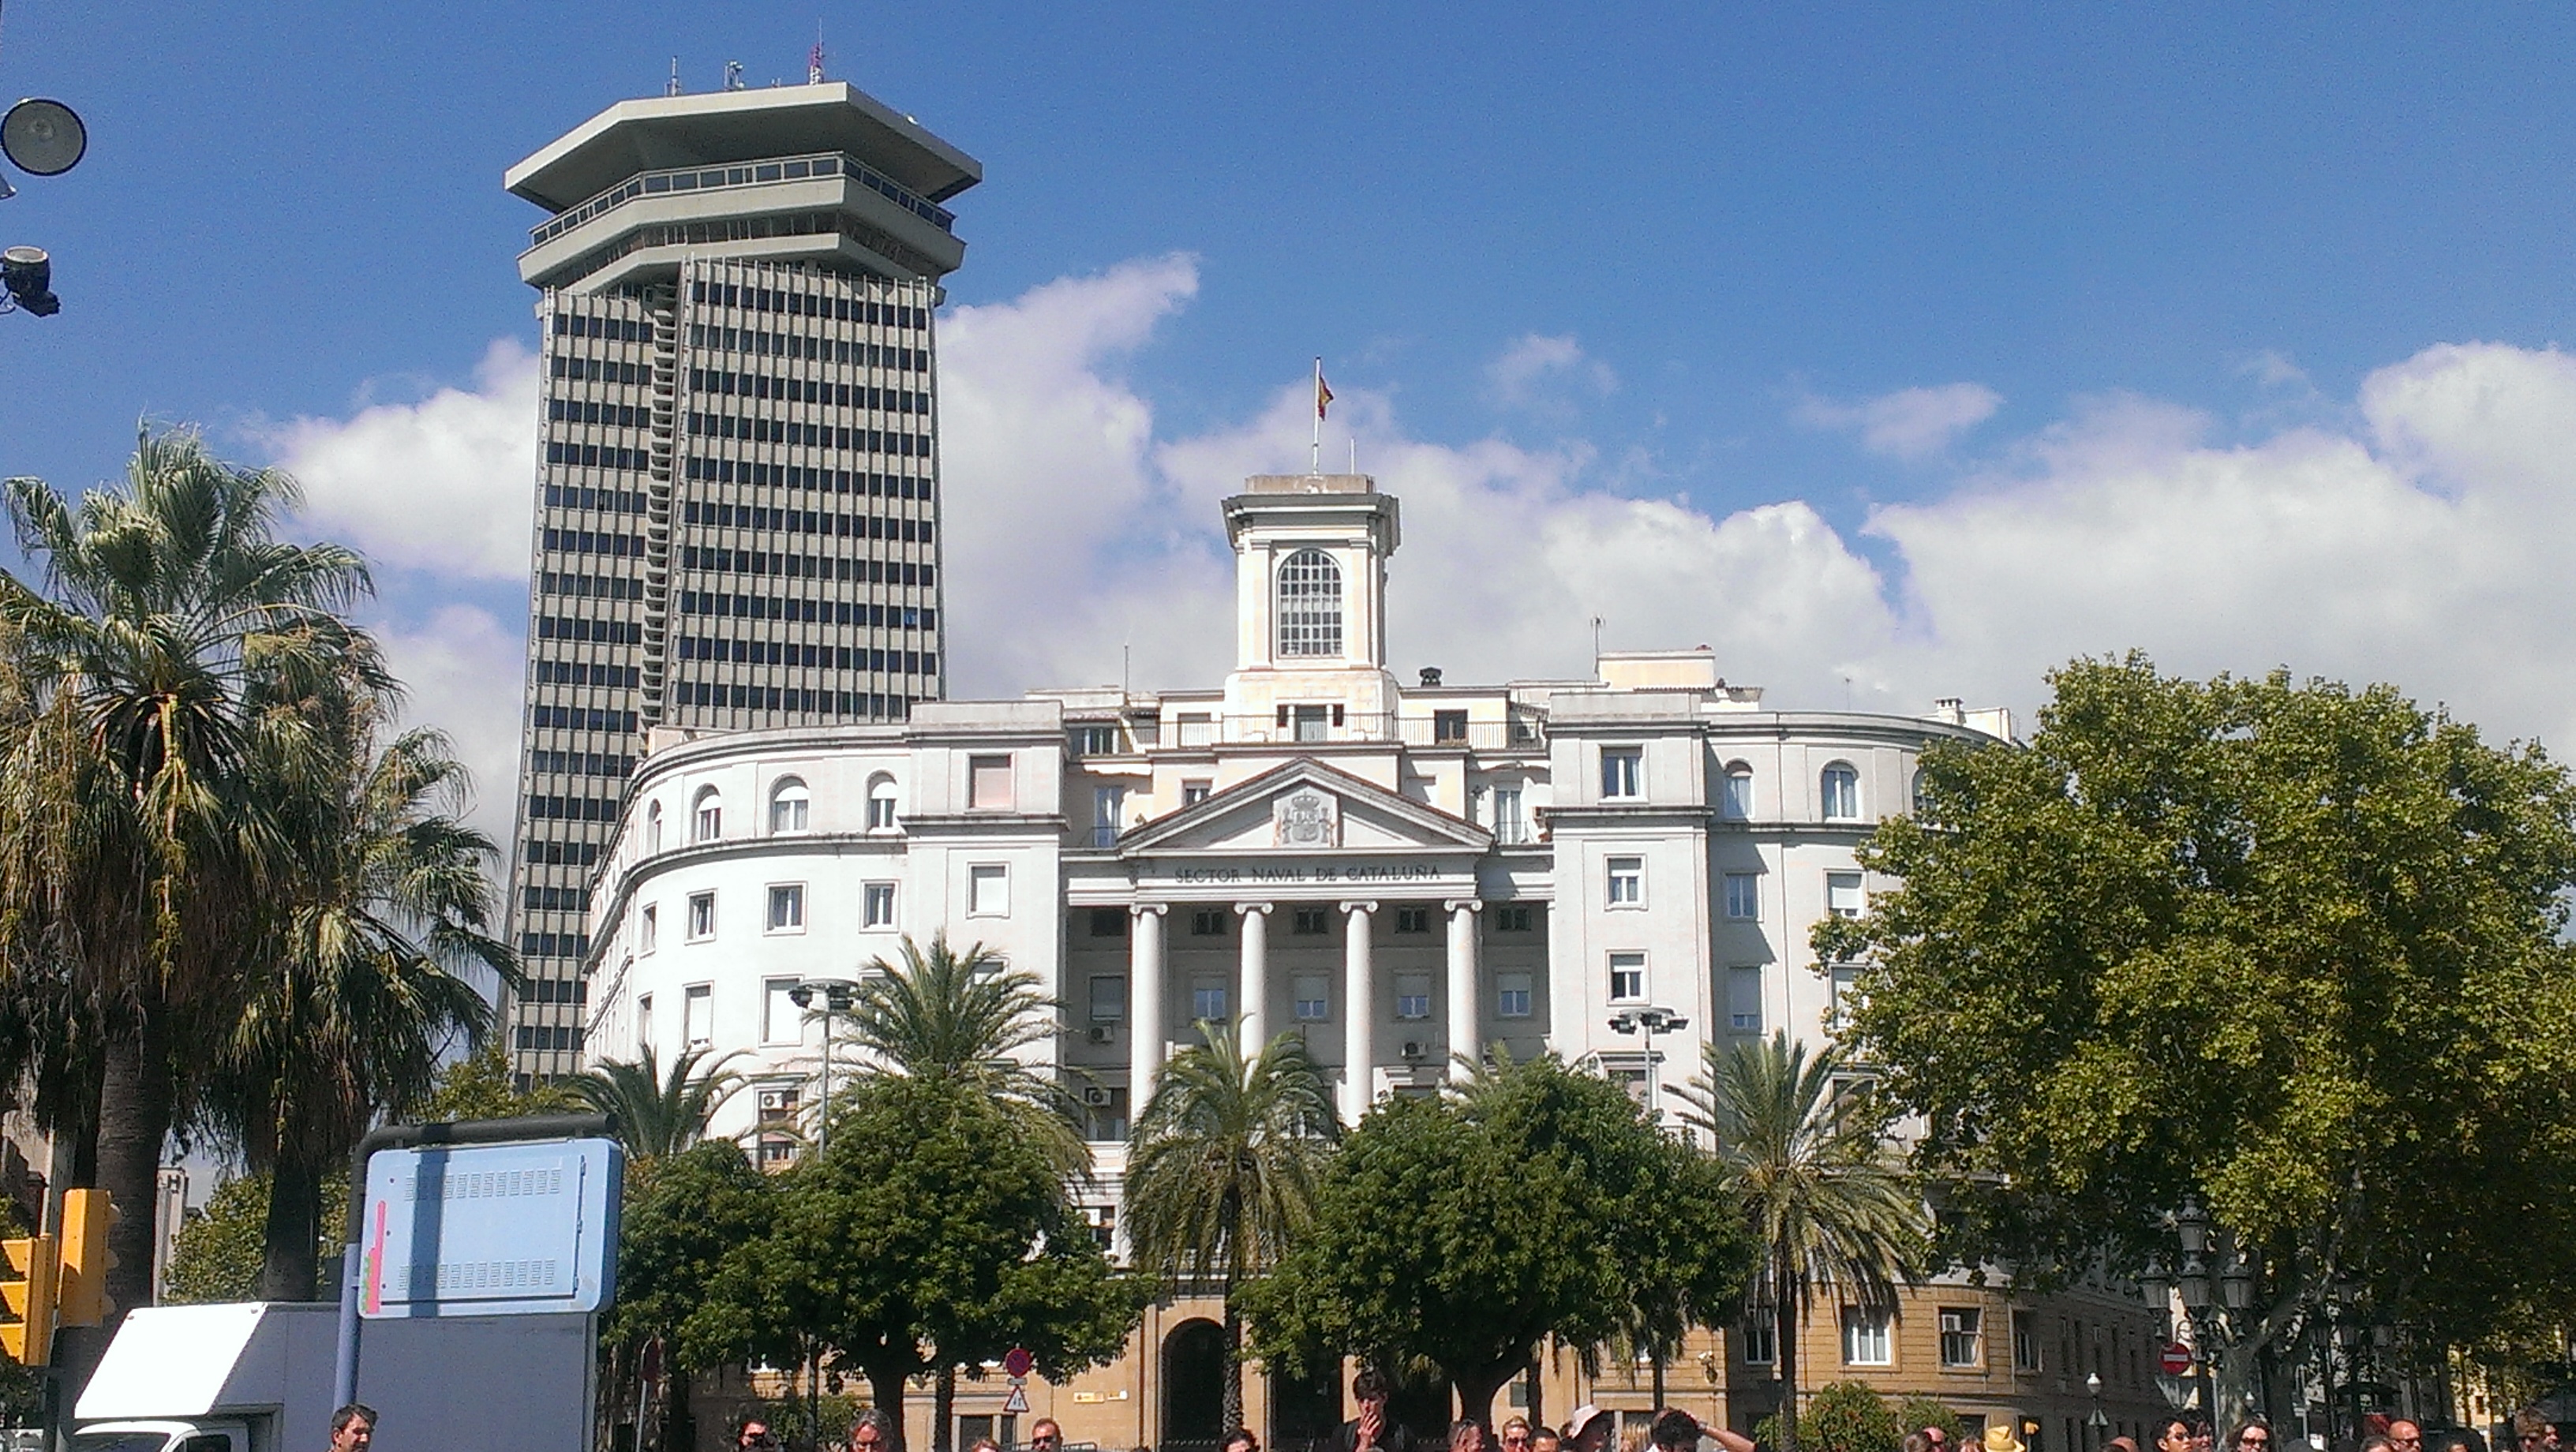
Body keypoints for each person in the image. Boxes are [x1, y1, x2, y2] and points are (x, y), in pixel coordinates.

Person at [1340, 1368, 1418, 1452]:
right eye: (1361, 1400)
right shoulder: (1344, 1435)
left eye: (1372, 1399)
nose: (1366, 1406)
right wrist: (1363, 1445)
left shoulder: (1402, 1437)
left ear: (1384, 1398)